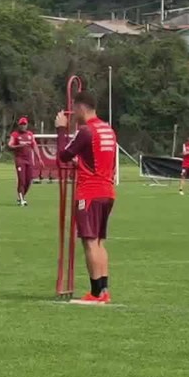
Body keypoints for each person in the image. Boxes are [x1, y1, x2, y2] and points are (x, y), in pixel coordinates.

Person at [57, 91, 118, 304]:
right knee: (99, 242)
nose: (73, 114)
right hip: (107, 191)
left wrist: (61, 129)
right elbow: (97, 159)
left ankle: (96, 293)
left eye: (74, 110)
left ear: (82, 107)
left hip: (90, 192)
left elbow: (63, 155)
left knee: (90, 242)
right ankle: (103, 291)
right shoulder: (108, 130)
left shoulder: (87, 131)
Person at [8, 116, 38, 206]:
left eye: (24, 124)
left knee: (29, 180)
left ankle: (21, 196)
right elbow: (10, 145)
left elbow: (34, 146)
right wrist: (18, 146)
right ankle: (21, 199)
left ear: (27, 125)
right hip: (20, 160)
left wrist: (39, 158)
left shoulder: (30, 134)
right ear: (19, 125)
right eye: (21, 124)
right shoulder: (15, 134)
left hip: (29, 160)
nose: (23, 126)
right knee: (22, 180)